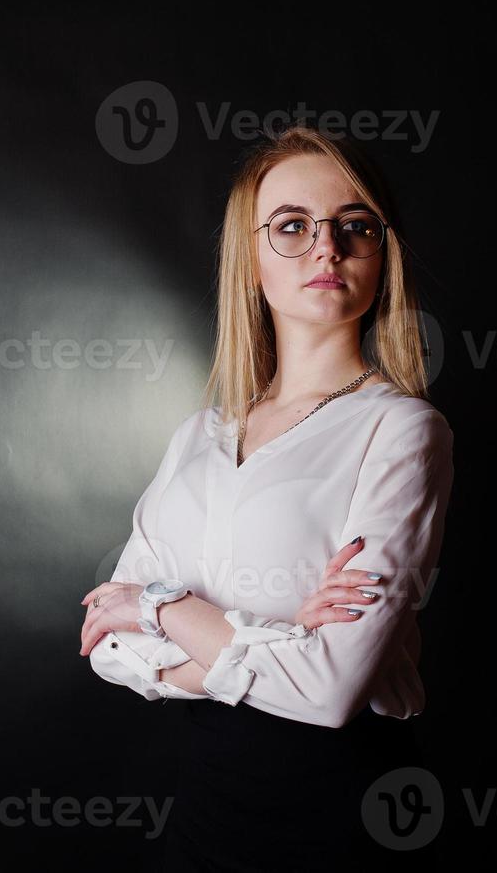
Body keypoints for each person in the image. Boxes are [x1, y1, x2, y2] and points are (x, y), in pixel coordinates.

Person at [79, 125, 454, 870]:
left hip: (343, 811)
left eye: (354, 227)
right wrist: (284, 633)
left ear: (383, 254)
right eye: (291, 226)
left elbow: (328, 693)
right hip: (208, 805)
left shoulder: (403, 429)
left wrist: (163, 606)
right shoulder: (198, 437)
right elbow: (107, 648)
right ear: (250, 258)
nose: (326, 248)